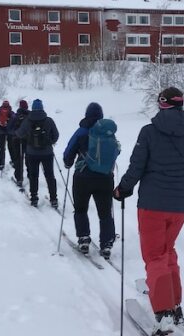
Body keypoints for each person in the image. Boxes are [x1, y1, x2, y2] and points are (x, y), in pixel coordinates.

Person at [113, 87, 184, 336]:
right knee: (167, 252)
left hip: (152, 205)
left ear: (161, 104)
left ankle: (164, 313)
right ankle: (174, 305)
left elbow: (136, 167)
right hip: (179, 207)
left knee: (155, 257)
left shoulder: (149, 132)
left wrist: (123, 189)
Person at [63, 102, 117, 258]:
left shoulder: (81, 131)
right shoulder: (108, 132)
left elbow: (69, 152)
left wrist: (68, 163)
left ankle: (84, 239)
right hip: (105, 178)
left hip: (83, 177)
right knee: (105, 212)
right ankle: (106, 243)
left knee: (81, 209)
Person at [15, 99, 59, 207]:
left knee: (34, 176)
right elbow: (56, 135)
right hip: (47, 153)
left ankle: (34, 198)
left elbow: (20, 134)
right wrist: (50, 142)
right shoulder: (49, 120)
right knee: (49, 175)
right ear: (42, 108)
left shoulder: (27, 120)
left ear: (33, 108)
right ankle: (53, 199)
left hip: (32, 153)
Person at [11, 99, 30, 188]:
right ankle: (30, 176)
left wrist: (14, 133)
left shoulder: (15, 115)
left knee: (18, 159)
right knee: (28, 158)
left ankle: (19, 178)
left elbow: (9, 127)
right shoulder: (30, 116)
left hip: (17, 140)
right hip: (28, 141)